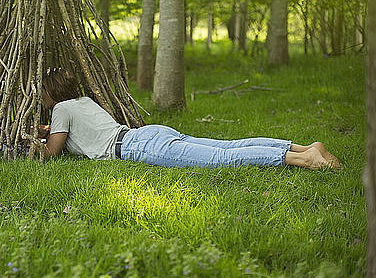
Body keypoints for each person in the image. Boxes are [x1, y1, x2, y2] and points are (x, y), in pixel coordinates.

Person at [38, 67, 341, 170]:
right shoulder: (82, 101)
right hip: (146, 133)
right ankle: (304, 147)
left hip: (137, 148)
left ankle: (304, 160)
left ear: (51, 92)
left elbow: (51, 152)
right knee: (227, 146)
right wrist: (51, 130)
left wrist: (31, 143)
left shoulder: (61, 109)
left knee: (220, 159)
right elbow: (77, 132)